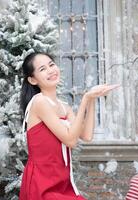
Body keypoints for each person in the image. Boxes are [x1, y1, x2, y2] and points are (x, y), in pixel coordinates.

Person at [19, 52, 120, 200]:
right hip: (42, 182)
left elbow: (86, 136)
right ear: (33, 80)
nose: (50, 70)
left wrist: (91, 98)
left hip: (62, 181)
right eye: (42, 69)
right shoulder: (39, 102)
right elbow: (71, 141)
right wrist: (85, 98)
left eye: (51, 64)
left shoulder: (64, 107)